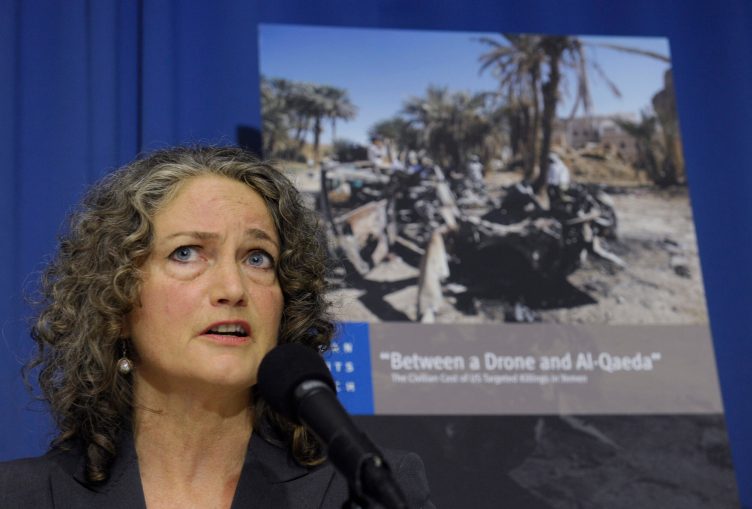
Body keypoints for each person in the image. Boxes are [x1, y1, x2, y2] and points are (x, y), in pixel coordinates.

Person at [0, 146, 433, 508]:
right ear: (115, 303)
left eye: (257, 258)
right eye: (187, 253)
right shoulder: (23, 497)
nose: (233, 288)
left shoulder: (367, 491)